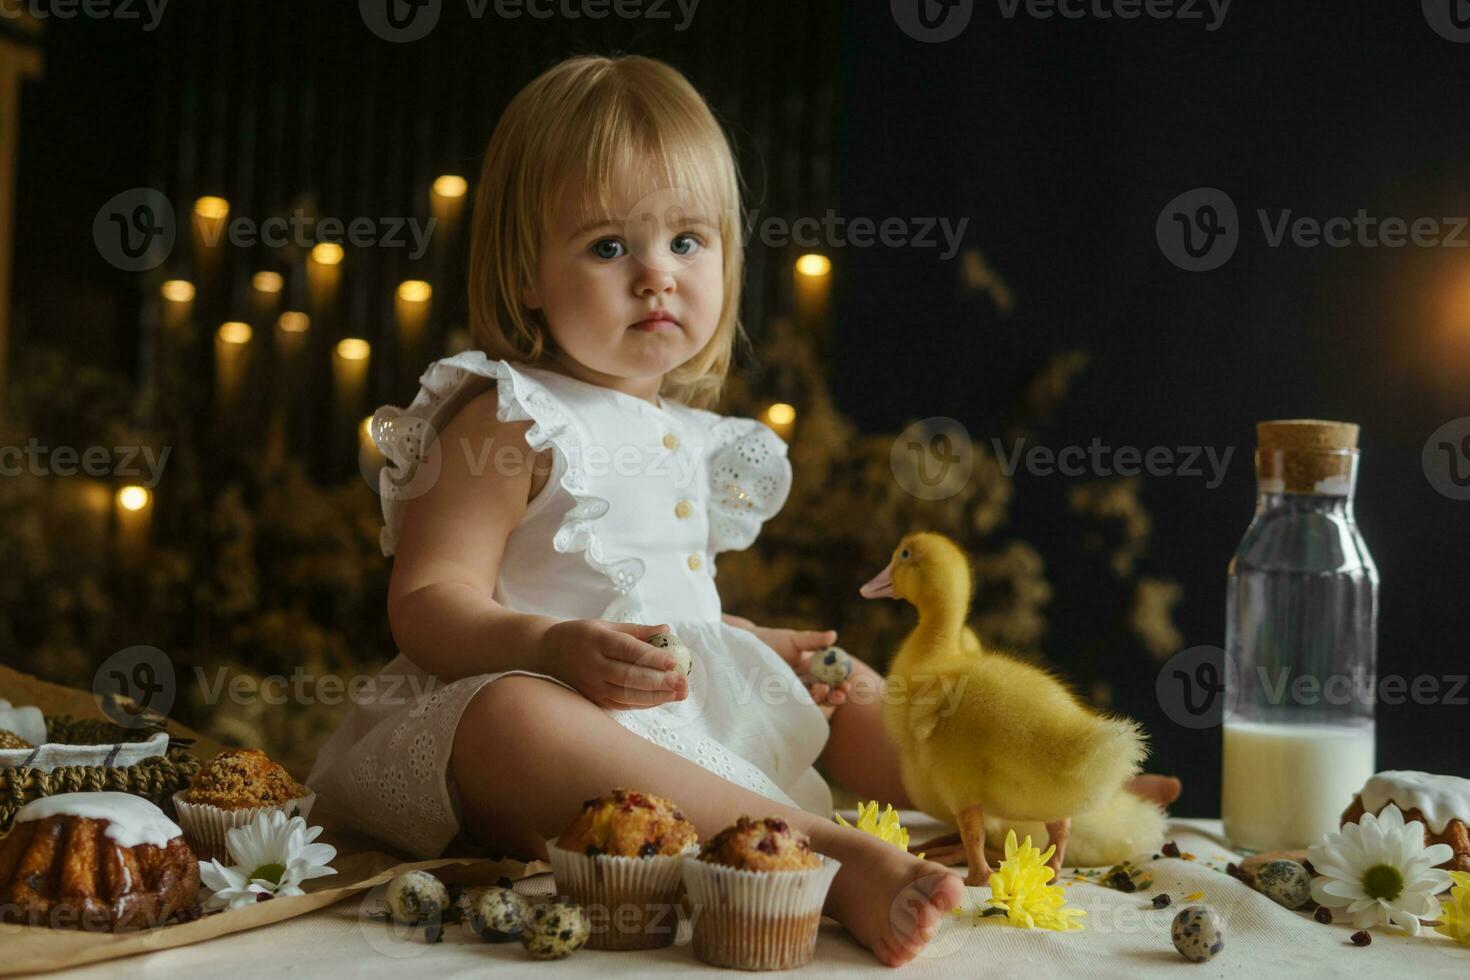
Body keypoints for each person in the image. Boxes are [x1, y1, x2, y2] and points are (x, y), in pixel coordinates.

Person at [308, 54, 1177, 966]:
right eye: (609, 247)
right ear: (526, 271)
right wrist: (546, 646)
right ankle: (825, 858)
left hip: (672, 705)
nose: (657, 276)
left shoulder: (693, 434)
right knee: (509, 721)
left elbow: (667, 600)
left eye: (688, 241)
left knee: (850, 686)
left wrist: (748, 641)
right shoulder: (510, 414)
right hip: (553, 725)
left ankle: (1042, 801)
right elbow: (427, 600)